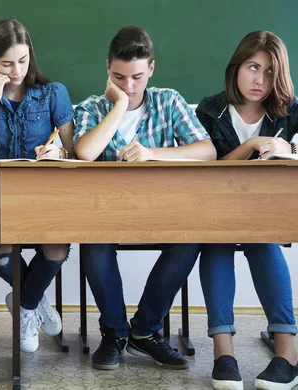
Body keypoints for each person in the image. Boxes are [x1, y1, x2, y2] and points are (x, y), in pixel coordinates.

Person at [74, 26, 216, 370]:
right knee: (93, 241)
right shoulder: (92, 107)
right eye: (119, 77)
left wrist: (153, 153)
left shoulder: (169, 101)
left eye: (137, 77)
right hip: (107, 214)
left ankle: (145, 331)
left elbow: (208, 151)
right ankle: (114, 333)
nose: (129, 85)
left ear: (151, 68)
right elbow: (85, 153)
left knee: (191, 239)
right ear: (107, 67)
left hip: (161, 210)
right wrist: (119, 105)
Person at [196, 30, 298, 390]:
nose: (260, 80)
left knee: (264, 241)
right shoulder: (209, 109)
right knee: (215, 246)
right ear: (237, 66)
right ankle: (225, 355)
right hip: (217, 209)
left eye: (271, 72)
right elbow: (206, 164)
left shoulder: (291, 111)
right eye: (254, 67)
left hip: (268, 212)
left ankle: (287, 354)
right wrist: (253, 144)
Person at [0, 18, 74, 353]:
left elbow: (72, 151)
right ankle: (35, 302)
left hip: (44, 196)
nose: (16, 71)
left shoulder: (53, 93)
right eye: (6, 63)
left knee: (58, 246)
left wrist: (57, 150)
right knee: (0, 250)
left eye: (23, 61)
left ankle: (25, 305)